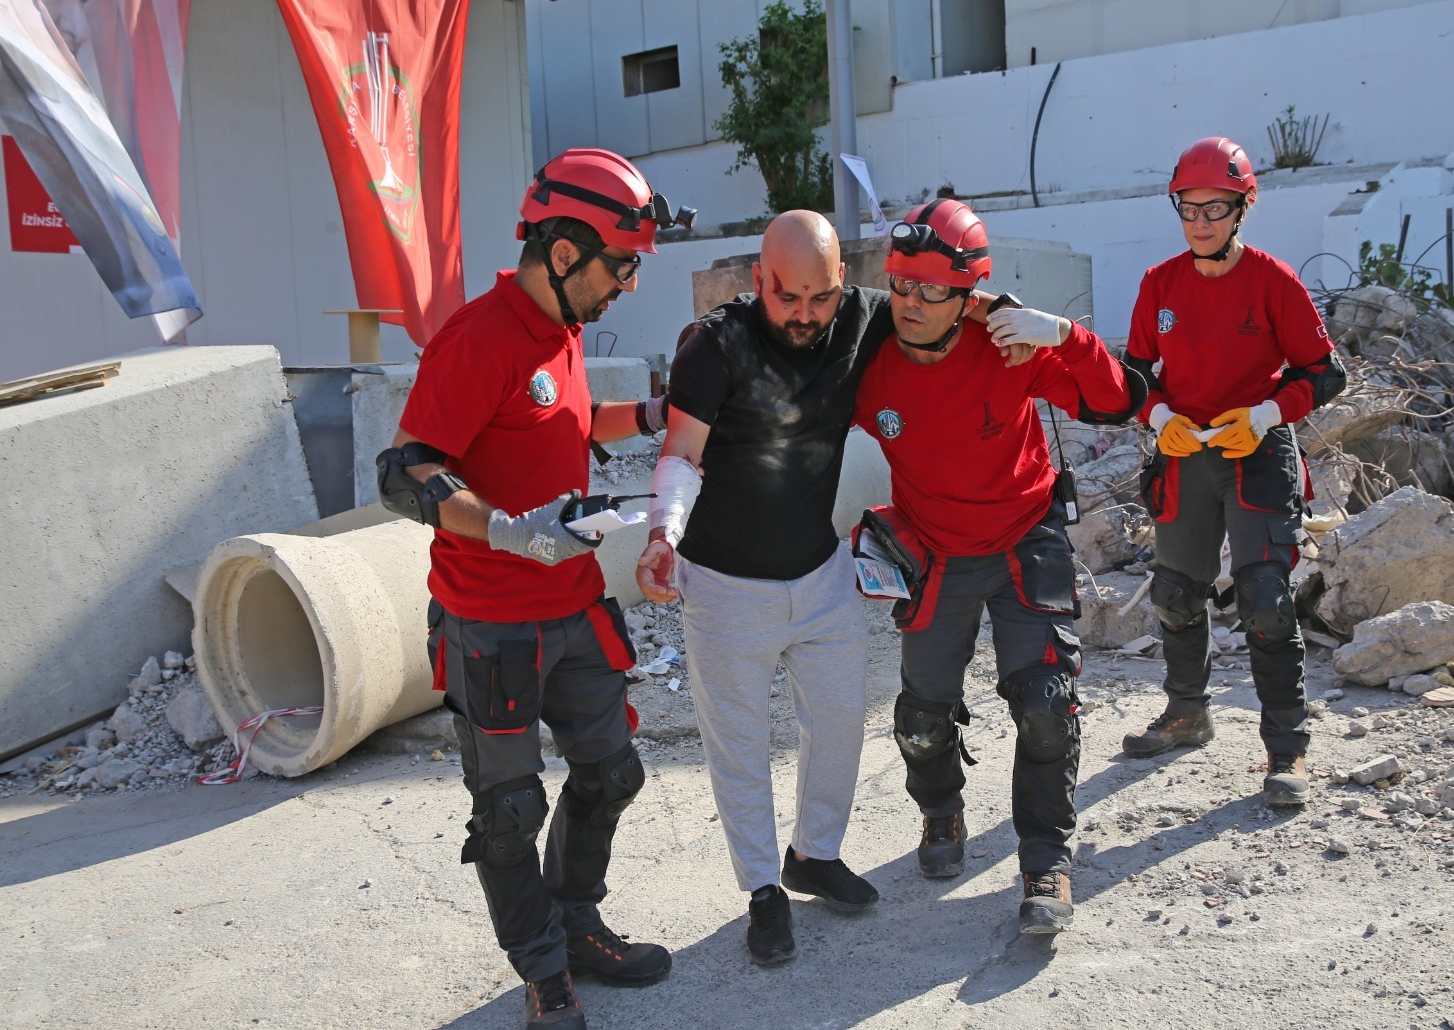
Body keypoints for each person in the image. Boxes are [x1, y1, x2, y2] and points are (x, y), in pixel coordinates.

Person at [635, 209, 1023, 966]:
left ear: (843, 281)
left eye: (820, 296)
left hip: (819, 571)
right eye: (787, 297)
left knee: (843, 722)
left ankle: (813, 854)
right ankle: (760, 892)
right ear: (758, 281)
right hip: (723, 584)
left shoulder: (862, 318)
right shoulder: (713, 345)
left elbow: (943, 296)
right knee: (740, 748)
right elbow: (681, 452)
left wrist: (1018, 316)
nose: (806, 315)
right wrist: (661, 535)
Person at [378, 148, 694, 1030]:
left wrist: (652, 416)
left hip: (575, 605)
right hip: (493, 625)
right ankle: (543, 968)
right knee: (510, 810)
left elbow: (568, 420)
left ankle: (576, 920)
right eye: (621, 264)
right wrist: (512, 529)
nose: (627, 285)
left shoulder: (562, 329)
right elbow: (407, 474)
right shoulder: (476, 338)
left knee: (612, 772)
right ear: (564, 253)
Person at [850, 198, 1142, 932]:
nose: (912, 303)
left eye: (934, 290)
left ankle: (1046, 858)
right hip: (935, 548)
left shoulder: (1007, 341)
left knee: (1046, 702)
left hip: (1022, 537)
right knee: (920, 718)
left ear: (969, 290)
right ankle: (942, 811)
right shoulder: (869, 358)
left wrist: (1066, 334)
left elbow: (1118, 400)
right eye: (901, 284)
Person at [1120, 136, 1346, 808]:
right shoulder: (1159, 284)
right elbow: (1133, 373)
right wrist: (1160, 418)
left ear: (1244, 206)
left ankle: (1287, 751)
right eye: (1187, 208)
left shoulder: (1273, 280)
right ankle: (1187, 713)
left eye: (1214, 208)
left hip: (1257, 452)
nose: (1199, 222)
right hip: (1186, 453)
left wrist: (1271, 411)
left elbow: (1325, 371)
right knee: (1173, 594)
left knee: (1268, 601)